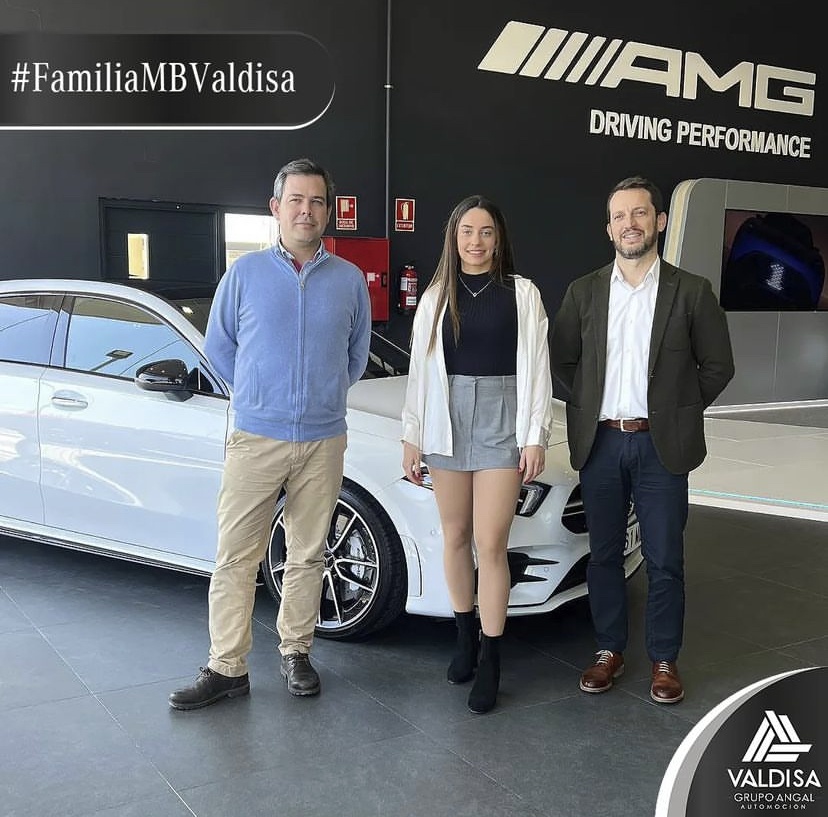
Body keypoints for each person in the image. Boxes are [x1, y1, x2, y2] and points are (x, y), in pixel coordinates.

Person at [169, 158, 371, 709]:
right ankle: (226, 667)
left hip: (324, 439)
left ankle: (296, 652)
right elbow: (219, 348)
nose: (307, 211)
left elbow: (355, 357)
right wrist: (259, 394)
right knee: (236, 555)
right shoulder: (245, 275)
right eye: (296, 200)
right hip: (256, 437)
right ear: (276, 208)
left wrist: (323, 394)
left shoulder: (349, 280)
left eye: (317, 201)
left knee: (308, 553)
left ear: (328, 211)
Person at [549, 176, 734, 704]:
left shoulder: (691, 291)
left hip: (660, 447)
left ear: (660, 221)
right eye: (619, 216)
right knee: (604, 555)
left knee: (665, 558)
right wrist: (590, 404)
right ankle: (609, 649)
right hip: (602, 444)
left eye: (639, 213)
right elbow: (562, 359)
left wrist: (676, 412)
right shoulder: (584, 291)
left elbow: (718, 366)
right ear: (608, 229)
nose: (629, 224)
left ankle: (664, 659)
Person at [401, 195, 553, 714]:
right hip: (446, 420)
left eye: (486, 231)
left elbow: (538, 368)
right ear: (454, 237)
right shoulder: (436, 296)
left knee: (490, 543)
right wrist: (412, 435)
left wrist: (535, 436)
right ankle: (463, 636)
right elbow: (419, 374)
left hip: (501, 419)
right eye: (467, 231)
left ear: (499, 238)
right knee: (455, 536)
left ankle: (491, 655)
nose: (476, 241)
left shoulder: (522, 294)